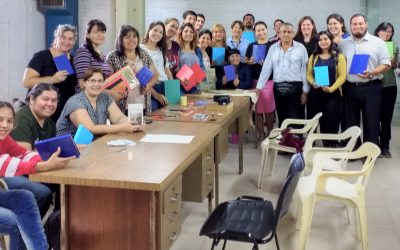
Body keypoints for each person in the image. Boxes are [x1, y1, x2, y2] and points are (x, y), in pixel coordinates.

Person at [0, 100, 74, 250]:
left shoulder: (5, 139)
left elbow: (24, 155)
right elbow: (5, 164)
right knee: (14, 222)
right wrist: (45, 166)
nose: (5, 125)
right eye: (0, 120)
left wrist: (51, 157)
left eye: (9, 121)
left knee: (25, 197)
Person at [339, 14, 391, 146]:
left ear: (366, 24)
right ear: (350, 26)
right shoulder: (343, 44)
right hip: (350, 87)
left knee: (371, 121)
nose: (358, 27)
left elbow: (386, 64)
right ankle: (353, 148)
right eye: (354, 24)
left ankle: (369, 151)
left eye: (360, 24)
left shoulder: (378, 42)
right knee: (351, 121)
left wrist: (371, 72)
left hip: (372, 87)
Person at [56, 67, 145, 136]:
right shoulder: (75, 101)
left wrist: (133, 125)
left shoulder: (105, 97)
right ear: (84, 83)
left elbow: (118, 118)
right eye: (92, 81)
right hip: (70, 147)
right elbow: (89, 129)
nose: (96, 84)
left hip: (93, 143)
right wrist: (123, 127)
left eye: (100, 81)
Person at [256, 22, 309, 126]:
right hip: (278, 87)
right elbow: (266, 69)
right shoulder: (273, 48)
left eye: (289, 32)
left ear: (293, 34)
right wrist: (259, 88)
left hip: (296, 88)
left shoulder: (301, 48)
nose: (286, 34)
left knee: (296, 117)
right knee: (282, 117)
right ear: (279, 34)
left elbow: (304, 70)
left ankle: (297, 140)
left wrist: (305, 91)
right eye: (283, 31)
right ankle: (284, 141)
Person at [22, 24, 78, 122]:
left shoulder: (72, 59)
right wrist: (51, 79)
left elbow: (68, 86)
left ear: (74, 42)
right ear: (56, 37)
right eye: (63, 37)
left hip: (63, 115)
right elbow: (26, 82)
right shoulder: (41, 56)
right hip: (42, 111)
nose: (66, 41)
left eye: (70, 39)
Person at [106, 25, 158, 115]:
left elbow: (156, 75)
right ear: (120, 39)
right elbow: (107, 82)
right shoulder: (113, 56)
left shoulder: (143, 54)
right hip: (121, 105)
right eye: (127, 37)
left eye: (134, 36)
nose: (132, 40)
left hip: (143, 104)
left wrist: (148, 86)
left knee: (143, 128)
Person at [306, 31, 346, 146]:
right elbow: (308, 74)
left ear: (331, 40)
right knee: (314, 119)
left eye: (325, 39)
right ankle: (312, 143)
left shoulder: (338, 56)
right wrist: (312, 82)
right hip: (315, 94)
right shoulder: (313, 57)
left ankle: (330, 143)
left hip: (332, 95)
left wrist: (331, 88)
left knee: (331, 120)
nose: (323, 42)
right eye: (320, 40)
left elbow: (342, 76)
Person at [245, 21, 276, 140]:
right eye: (258, 30)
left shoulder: (273, 45)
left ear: (267, 30)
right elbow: (246, 60)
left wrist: (268, 63)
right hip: (255, 80)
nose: (260, 32)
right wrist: (250, 61)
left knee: (269, 110)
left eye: (263, 29)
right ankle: (261, 134)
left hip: (269, 81)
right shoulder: (251, 45)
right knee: (257, 110)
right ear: (255, 32)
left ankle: (270, 133)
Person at [374, 22, 399, 158]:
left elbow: (394, 67)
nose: (386, 34)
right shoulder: (372, 45)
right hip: (374, 85)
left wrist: (393, 62)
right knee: (374, 117)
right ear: (378, 32)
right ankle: (375, 144)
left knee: (386, 118)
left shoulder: (394, 46)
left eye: (389, 32)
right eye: (383, 31)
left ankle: (385, 146)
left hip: (389, 86)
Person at [73, 19, 112, 92]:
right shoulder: (83, 52)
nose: (100, 35)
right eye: (96, 32)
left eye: (102, 32)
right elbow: (83, 84)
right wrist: (110, 93)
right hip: (86, 101)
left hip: (101, 99)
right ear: (87, 35)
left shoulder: (102, 55)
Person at [141, 21, 172, 111]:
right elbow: (139, 76)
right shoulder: (140, 48)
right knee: (154, 115)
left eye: (161, 32)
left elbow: (167, 71)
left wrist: (173, 89)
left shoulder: (161, 50)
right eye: (155, 30)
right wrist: (155, 94)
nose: (157, 34)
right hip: (150, 88)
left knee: (170, 116)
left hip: (165, 86)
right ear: (148, 31)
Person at [176, 23, 205, 93]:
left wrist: (200, 79)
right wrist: (180, 78)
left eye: (191, 32)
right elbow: (173, 68)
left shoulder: (197, 50)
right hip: (180, 87)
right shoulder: (176, 48)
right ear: (181, 33)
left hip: (194, 87)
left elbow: (201, 67)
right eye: (186, 31)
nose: (189, 33)